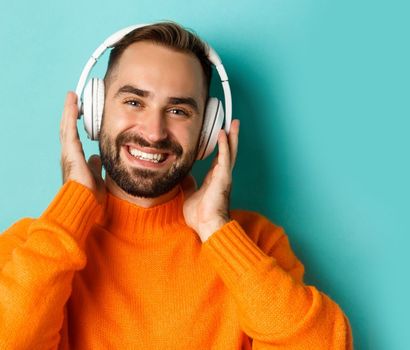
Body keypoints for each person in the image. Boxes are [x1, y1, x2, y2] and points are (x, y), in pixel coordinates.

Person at [0, 21, 352, 349]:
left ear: (208, 131)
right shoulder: (33, 247)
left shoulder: (255, 243)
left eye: (179, 111)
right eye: (134, 101)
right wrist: (71, 208)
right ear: (93, 111)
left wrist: (216, 229)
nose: (154, 132)